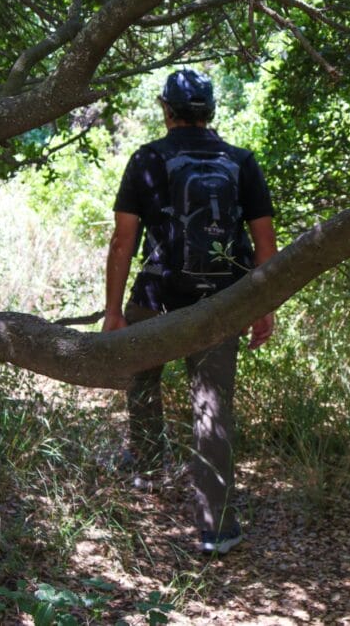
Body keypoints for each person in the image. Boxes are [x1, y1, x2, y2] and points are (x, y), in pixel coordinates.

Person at [102, 68, 277, 555]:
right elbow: (265, 243)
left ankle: (148, 467)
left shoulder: (147, 160)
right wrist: (263, 306)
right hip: (221, 304)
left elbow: (124, 240)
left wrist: (114, 310)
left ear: (166, 110)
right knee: (211, 409)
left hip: (157, 298)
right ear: (211, 111)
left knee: (141, 374)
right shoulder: (241, 162)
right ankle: (216, 528)